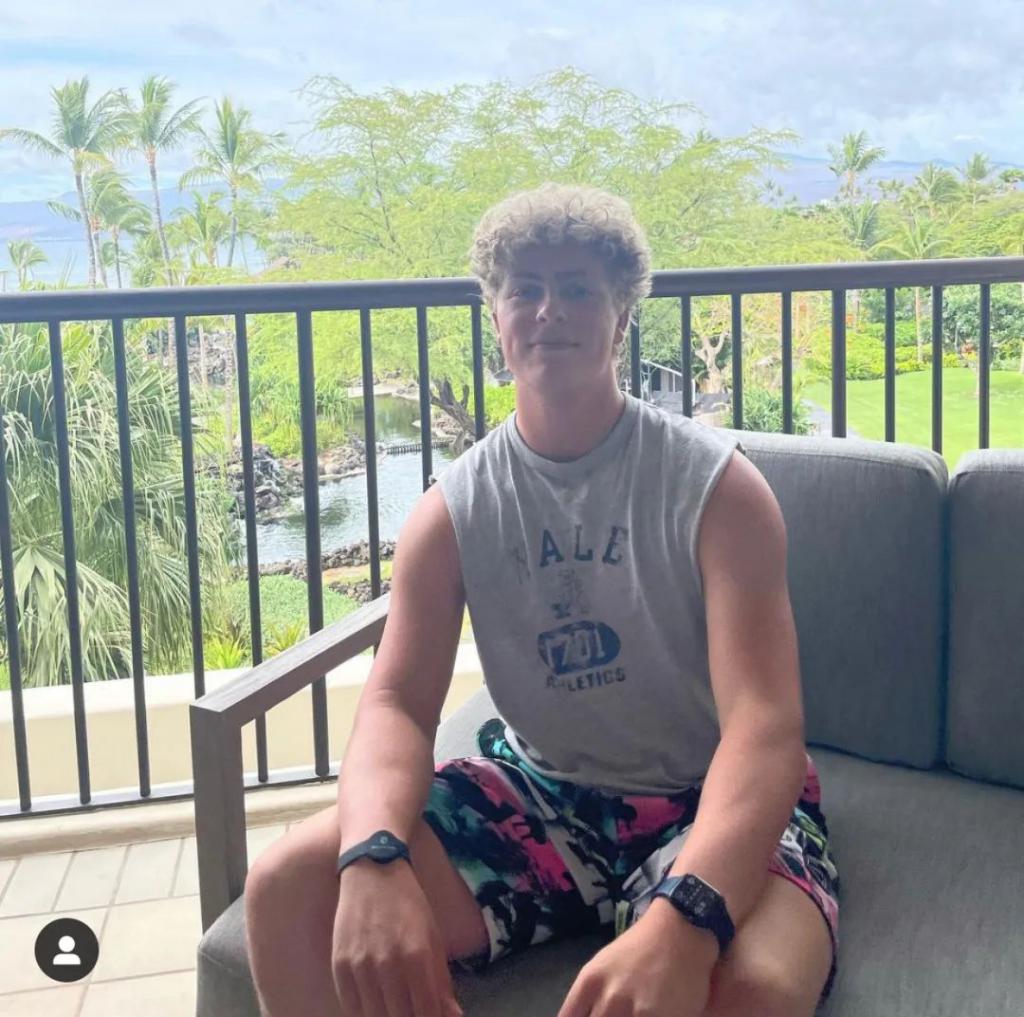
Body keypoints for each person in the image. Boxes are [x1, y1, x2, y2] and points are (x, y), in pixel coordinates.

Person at [245, 182, 841, 1017]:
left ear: (621, 318)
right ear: (496, 317)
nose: (548, 309)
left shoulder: (717, 489)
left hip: (710, 798)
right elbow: (397, 702)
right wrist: (373, 854)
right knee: (287, 889)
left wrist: (687, 917)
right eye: (525, 288)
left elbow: (766, 727)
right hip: (542, 796)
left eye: (577, 289)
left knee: (755, 988)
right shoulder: (452, 511)